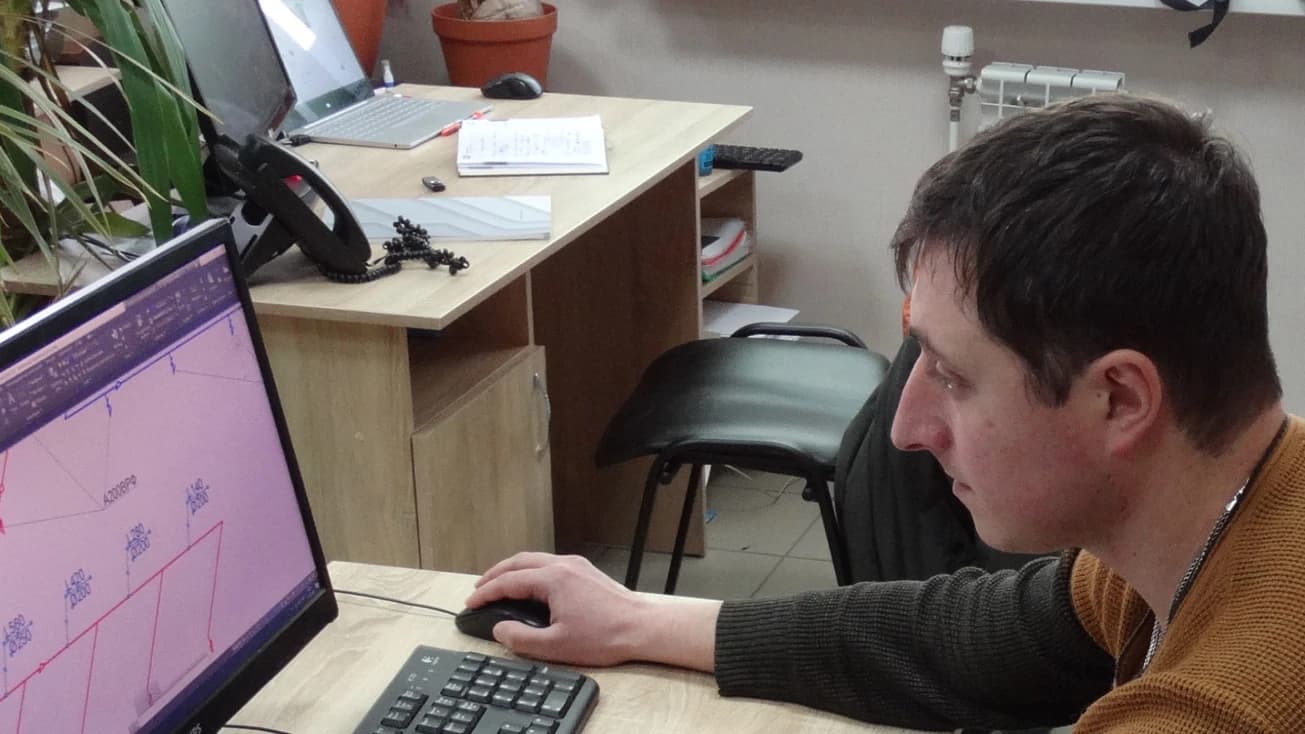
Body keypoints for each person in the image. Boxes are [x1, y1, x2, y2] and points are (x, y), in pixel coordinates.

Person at [464, 94, 1305, 731]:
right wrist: (642, 618)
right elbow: (964, 640)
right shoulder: (1231, 513)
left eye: (952, 375)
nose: (904, 429)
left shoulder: (1225, 707)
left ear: (1118, 398)